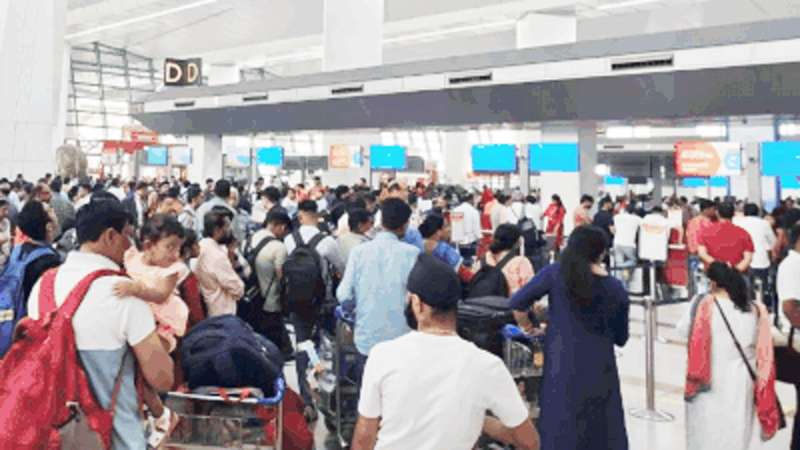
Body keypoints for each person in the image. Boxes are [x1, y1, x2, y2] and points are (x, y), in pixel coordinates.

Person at [26, 196, 174, 449]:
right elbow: (162, 378)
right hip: (116, 440)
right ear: (110, 236)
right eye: (127, 236)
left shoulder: (43, 287)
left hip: (53, 438)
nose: (130, 246)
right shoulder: (124, 294)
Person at [351, 254, 539, 450]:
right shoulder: (487, 366)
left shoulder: (383, 356)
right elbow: (530, 442)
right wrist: (480, 420)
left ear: (417, 303)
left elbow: (364, 439)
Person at [510, 226, 629, 450]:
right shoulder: (615, 288)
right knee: (602, 433)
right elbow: (621, 338)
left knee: (560, 429)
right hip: (601, 371)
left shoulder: (555, 273)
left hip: (561, 366)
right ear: (602, 253)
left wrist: (529, 326)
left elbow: (517, 302)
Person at [678, 262, 780, 450]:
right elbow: (767, 343)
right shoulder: (755, 310)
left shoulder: (701, 304)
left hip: (707, 383)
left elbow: (683, 330)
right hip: (742, 384)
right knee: (738, 434)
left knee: (705, 434)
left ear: (713, 283)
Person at [112, 214, 188, 447]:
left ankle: (159, 413)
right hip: (140, 322)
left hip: (163, 324)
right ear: (148, 245)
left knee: (142, 367)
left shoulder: (172, 270)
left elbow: (161, 295)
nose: (175, 254)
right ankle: (158, 414)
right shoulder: (133, 259)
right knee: (134, 369)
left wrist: (136, 289)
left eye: (178, 248)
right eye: (169, 247)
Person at [337, 198, 421, 377]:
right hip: (402, 338)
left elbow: (343, 294)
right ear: (405, 225)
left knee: (368, 389)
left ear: (381, 222)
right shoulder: (412, 254)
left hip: (368, 338)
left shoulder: (359, 252)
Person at [284, 200, 346, 418]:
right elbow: (342, 268)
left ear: (300, 215)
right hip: (322, 304)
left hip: (297, 304)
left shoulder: (289, 240)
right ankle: (326, 393)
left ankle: (306, 400)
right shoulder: (327, 242)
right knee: (327, 346)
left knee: (303, 346)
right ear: (317, 216)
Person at [249, 210, 292, 351]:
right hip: (271, 302)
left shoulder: (251, 239)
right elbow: (282, 277)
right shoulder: (278, 247)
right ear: (282, 227)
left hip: (252, 297)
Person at [195, 207, 244, 316]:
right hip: (223, 311)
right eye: (227, 226)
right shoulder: (217, 256)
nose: (230, 230)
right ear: (217, 230)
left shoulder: (202, 246)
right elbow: (237, 289)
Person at [15, 200, 61, 302]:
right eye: (50, 210)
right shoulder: (50, 261)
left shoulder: (18, 250)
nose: (54, 211)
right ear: (48, 226)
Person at [472, 224, 534, 296]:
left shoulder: (482, 261)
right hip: (509, 302)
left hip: (479, 302)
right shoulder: (521, 262)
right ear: (518, 242)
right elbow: (531, 291)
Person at [735, 203, 777, 304]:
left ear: (744, 212)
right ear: (758, 212)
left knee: (744, 287)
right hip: (761, 261)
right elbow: (773, 242)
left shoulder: (738, 223)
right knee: (760, 288)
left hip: (742, 261)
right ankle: (760, 304)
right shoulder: (764, 223)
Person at [698, 202, 754, 273]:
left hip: (714, 274)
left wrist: (720, 267)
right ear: (733, 214)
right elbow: (748, 258)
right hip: (737, 275)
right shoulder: (744, 233)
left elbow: (702, 254)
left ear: (717, 213)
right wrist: (734, 271)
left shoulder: (706, 232)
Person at [451, 192, 482, 267]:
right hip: (471, 241)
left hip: (459, 241)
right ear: (470, 200)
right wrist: (480, 239)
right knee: (470, 262)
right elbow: (476, 229)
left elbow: (456, 227)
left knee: (461, 262)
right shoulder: (474, 211)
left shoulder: (456, 210)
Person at [0, 199, 10, 271]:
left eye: (7, 210)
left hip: (5, 262)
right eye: (4, 209)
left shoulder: (6, 222)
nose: (6, 212)